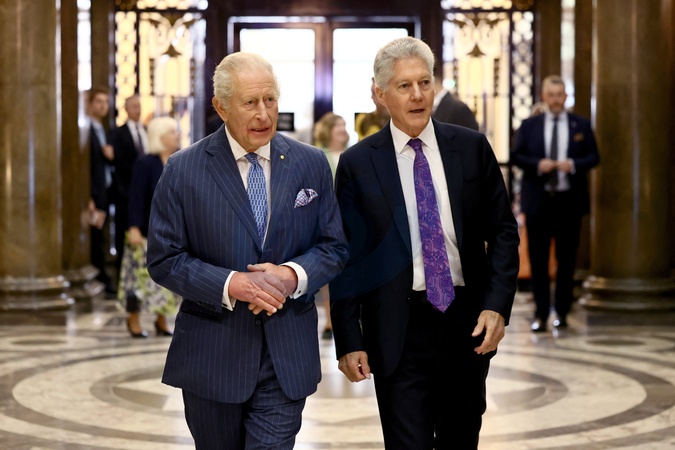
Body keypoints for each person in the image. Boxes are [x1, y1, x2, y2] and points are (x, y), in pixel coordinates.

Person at [146, 52, 349, 449]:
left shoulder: (310, 163)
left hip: (286, 354)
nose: (263, 114)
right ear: (221, 107)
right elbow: (164, 258)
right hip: (212, 355)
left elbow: (334, 247)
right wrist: (231, 284)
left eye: (270, 100)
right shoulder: (183, 169)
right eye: (250, 102)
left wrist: (291, 275)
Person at [330, 37, 520, 450]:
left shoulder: (471, 147)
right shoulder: (358, 163)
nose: (418, 95)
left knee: (460, 439)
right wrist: (349, 338)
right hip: (396, 329)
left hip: (466, 322)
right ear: (380, 94)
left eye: (424, 82)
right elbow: (347, 257)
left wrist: (497, 305)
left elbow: (504, 231)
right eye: (404, 86)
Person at [511, 75, 600, 332]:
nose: (556, 100)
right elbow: (517, 155)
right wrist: (538, 164)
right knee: (538, 261)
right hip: (539, 202)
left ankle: (562, 312)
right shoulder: (530, 125)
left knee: (567, 260)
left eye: (560, 95)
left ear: (565, 97)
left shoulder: (580, 124)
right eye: (551, 95)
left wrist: (572, 165)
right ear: (544, 97)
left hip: (568, 202)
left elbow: (594, 157)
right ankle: (540, 314)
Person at [118, 116, 180, 338]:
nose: (177, 136)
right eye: (172, 132)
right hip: (144, 232)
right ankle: (133, 319)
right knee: (138, 281)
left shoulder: (178, 161)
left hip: (170, 233)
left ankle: (161, 320)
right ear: (161, 137)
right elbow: (135, 197)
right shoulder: (145, 163)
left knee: (166, 279)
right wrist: (134, 227)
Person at [312, 112, 350, 340]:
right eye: (339, 126)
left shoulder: (353, 154)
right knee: (330, 273)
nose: (343, 130)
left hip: (351, 222)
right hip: (327, 221)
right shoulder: (318, 156)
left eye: (344, 126)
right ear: (328, 130)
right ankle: (329, 319)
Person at [109, 95, 148, 275]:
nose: (137, 110)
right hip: (125, 192)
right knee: (124, 235)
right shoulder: (118, 133)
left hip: (146, 194)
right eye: (133, 106)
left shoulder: (147, 130)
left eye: (139, 106)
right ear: (126, 109)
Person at [86, 86, 116, 295]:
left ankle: (103, 275)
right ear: (89, 104)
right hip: (93, 193)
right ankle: (100, 276)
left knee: (102, 235)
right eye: (98, 101)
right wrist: (87, 196)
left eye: (106, 102)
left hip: (105, 190)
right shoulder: (86, 129)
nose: (103, 106)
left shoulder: (102, 129)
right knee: (94, 238)